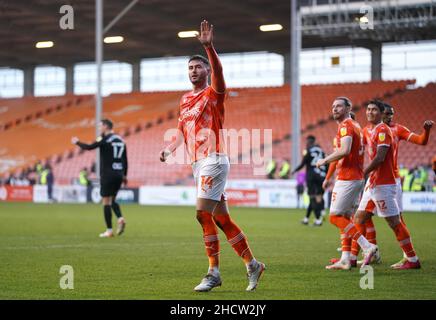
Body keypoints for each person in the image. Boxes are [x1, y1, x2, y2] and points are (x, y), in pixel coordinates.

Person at [159, 20, 265, 292]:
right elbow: (183, 129)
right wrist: (170, 149)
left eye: (198, 67)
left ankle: (213, 272)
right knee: (221, 219)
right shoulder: (184, 100)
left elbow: (218, 71)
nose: (194, 71)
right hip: (198, 163)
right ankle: (253, 264)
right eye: (190, 68)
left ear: (206, 70)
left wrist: (209, 49)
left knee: (201, 214)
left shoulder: (213, 93)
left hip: (214, 159)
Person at [352, 104, 433, 267]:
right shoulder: (368, 130)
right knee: (361, 217)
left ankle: (409, 256)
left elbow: (421, 141)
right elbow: (360, 147)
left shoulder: (397, 129)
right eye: (387, 114)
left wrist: (426, 131)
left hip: (390, 180)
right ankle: (355, 256)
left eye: (391, 114)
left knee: (396, 220)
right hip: (374, 179)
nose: (390, 117)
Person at [316, 97, 377, 270]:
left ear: (348, 108)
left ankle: (367, 246)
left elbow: (344, 150)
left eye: (339, 106)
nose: (335, 109)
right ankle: (346, 258)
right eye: (333, 106)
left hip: (348, 178)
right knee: (346, 219)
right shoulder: (356, 126)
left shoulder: (346, 126)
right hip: (355, 177)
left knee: (335, 217)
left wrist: (324, 161)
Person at [71, 119, 127, 238]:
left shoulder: (104, 139)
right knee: (112, 199)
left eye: (100, 126)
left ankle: (109, 231)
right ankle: (120, 218)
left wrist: (77, 142)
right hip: (119, 174)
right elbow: (125, 160)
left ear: (106, 126)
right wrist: (124, 175)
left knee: (106, 202)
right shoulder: (121, 140)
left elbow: (90, 147)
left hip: (107, 174)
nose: (99, 128)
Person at [291, 135, 327, 226]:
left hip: (312, 176)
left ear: (309, 142)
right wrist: (327, 176)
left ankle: (318, 220)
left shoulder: (309, 151)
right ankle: (307, 218)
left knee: (312, 197)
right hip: (322, 176)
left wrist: (295, 170)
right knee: (318, 198)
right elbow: (327, 163)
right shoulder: (322, 151)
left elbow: (303, 164)